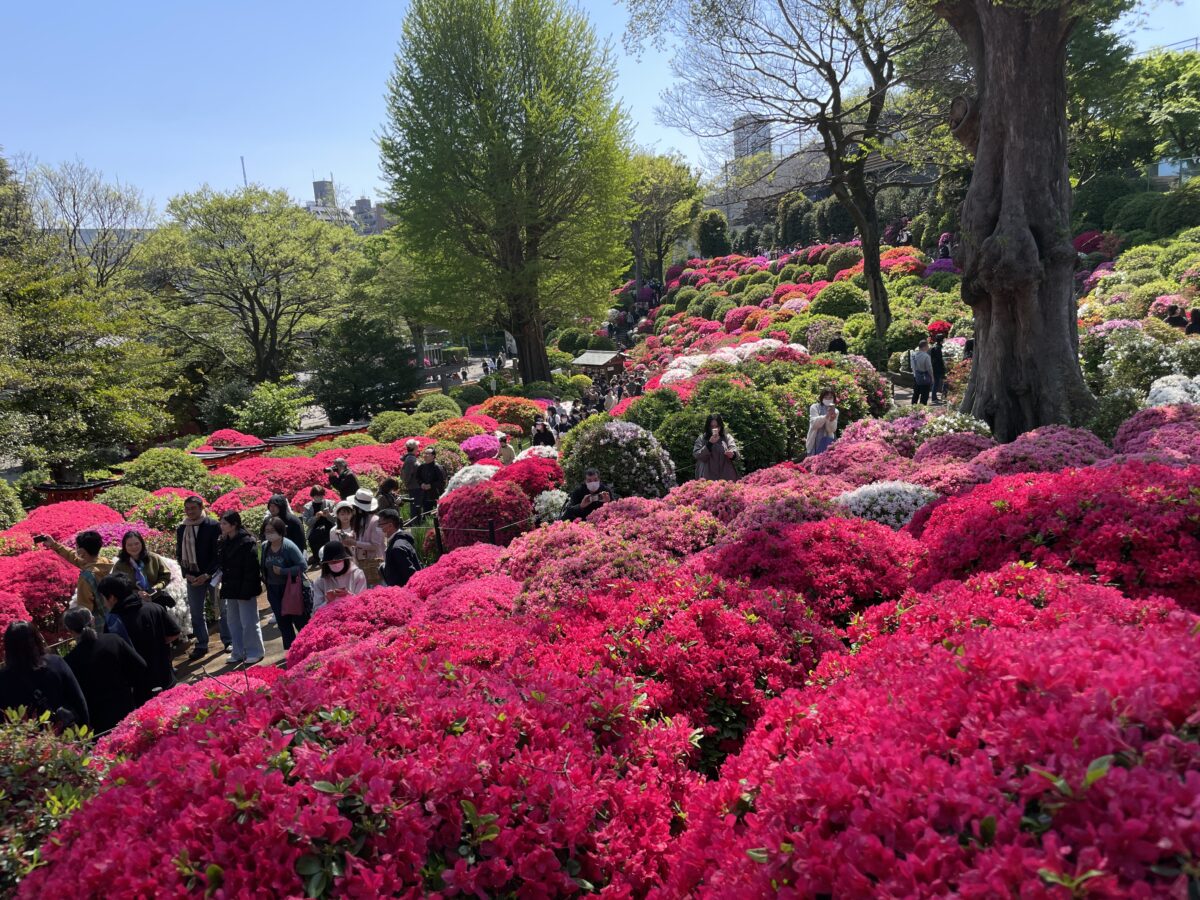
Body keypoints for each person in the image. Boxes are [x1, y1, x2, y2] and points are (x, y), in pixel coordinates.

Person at [63, 607, 147, 734]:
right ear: (92, 620)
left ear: (69, 631)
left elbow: (74, 698)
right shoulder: (113, 640)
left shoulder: (69, 661)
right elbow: (140, 666)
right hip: (126, 707)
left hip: (100, 722)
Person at [99, 574, 180, 703]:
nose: (104, 602)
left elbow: (115, 657)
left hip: (140, 687)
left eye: (103, 598)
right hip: (165, 676)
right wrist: (157, 644)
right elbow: (174, 633)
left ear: (112, 598)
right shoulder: (154, 608)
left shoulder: (113, 623)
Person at [0, 622, 89, 729]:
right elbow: (78, 700)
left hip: (32, 742)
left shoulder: (4, 679)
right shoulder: (55, 663)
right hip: (67, 734)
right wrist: (85, 729)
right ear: (36, 639)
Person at [176, 496, 226, 660]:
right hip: (193, 577)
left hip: (212, 575)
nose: (190, 512)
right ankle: (202, 644)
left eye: (193, 508)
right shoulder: (182, 528)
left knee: (221, 609)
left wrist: (207, 574)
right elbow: (179, 554)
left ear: (201, 507)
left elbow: (218, 553)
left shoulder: (212, 526)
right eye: (187, 508)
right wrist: (187, 574)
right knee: (197, 612)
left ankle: (228, 640)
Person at [215, 511, 264, 665]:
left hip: (245, 587)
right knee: (233, 621)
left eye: (224, 523)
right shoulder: (224, 541)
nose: (221, 526)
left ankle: (254, 651)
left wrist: (246, 590)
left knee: (249, 621)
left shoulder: (247, 541)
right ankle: (238, 651)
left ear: (234, 524)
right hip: (230, 587)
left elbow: (251, 569)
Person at [37, 530, 114, 624]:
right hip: (114, 619)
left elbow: (85, 610)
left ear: (82, 551)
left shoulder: (87, 577)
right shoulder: (104, 562)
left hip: (100, 626)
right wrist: (54, 545)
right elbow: (76, 558)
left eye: (77, 546)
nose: (75, 548)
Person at [259, 516, 308, 650]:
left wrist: (284, 571)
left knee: (298, 619)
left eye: (272, 530)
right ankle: (291, 650)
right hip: (273, 590)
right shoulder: (265, 547)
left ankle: (307, 646)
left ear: (280, 531)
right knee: (282, 622)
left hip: (291, 589)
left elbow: (303, 566)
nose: (269, 533)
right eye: (267, 531)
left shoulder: (288, 546)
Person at [111, 531, 172, 610]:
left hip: (156, 599)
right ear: (124, 546)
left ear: (142, 543)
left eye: (136, 543)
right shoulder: (120, 565)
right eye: (129, 545)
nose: (134, 547)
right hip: (133, 603)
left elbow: (165, 575)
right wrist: (136, 593)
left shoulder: (153, 558)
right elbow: (117, 586)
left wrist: (156, 588)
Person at [311, 541, 368, 611]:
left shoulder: (358, 575)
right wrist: (328, 602)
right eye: (331, 562)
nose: (335, 564)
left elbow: (363, 603)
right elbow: (316, 610)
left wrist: (348, 595)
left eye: (338, 561)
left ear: (345, 560)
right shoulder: (320, 581)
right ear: (326, 563)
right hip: (330, 620)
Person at [346, 489, 385, 586]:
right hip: (361, 561)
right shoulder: (360, 519)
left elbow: (375, 545)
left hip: (373, 563)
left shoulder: (376, 521)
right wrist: (349, 536)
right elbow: (358, 534)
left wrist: (354, 543)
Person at [378, 509, 422, 587]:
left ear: (390, 526)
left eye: (380, 525)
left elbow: (410, 576)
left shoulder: (397, 548)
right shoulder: (400, 540)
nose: (378, 528)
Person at [693, 413, 739, 481]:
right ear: (708, 427)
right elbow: (697, 455)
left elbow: (735, 451)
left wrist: (732, 454)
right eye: (712, 426)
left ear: (721, 426)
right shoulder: (702, 438)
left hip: (726, 476)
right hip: (707, 476)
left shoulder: (727, 437)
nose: (715, 429)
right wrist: (709, 444)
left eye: (717, 426)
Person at [302, 485, 336, 565]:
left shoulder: (329, 503)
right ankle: (318, 559)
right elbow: (307, 522)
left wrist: (328, 515)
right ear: (313, 496)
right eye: (317, 496)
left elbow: (335, 519)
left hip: (329, 527)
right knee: (313, 538)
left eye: (321, 495)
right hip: (315, 529)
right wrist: (316, 517)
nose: (320, 498)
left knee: (329, 536)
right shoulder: (308, 507)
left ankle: (331, 558)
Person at [806, 390, 840, 456]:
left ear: (833, 399)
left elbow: (831, 430)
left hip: (827, 440)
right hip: (814, 441)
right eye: (826, 397)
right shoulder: (814, 407)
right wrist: (826, 416)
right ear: (821, 398)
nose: (828, 399)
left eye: (830, 397)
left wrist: (831, 420)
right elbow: (814, 424)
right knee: (812, 462)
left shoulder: (835, 411)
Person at [414, 447, 447, 514]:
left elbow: (442, 481)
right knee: (426, 514)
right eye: (424, 453)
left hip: (437, 495)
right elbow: (417, 478)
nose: (425, 455)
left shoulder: (438, 467)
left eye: (427, 454)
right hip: (425, 495)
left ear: (433, 456)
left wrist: (431, 485)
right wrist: (421, 484)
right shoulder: (421, 467)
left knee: (439, 514)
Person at [911, 340, 934, 406]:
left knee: (916, 394)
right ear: (924, 347)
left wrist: (915, 375)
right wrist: (932, 377)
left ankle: (913, 409)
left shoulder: (914, 355)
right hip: (925, 377)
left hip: (916, 377)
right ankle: (922, 411)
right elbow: (929, 368)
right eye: (927, 346)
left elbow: (912, 367)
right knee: (924, 395)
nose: (928, 347)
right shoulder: (926, 356)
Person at [400, 439, 421, 512]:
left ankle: (416, 522)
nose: (418, 448)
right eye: (417, 446)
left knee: (416, 506)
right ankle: (415, 523)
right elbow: (407, 474)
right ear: (415, 448)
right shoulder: (411, 459)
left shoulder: (410, 458)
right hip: (414, 487)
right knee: (415, 507)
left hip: (415, 486)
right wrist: (407, 484)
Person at [930, 337, 947, 404]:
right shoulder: (938, 348)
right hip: (939, 368)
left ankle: (934, 397)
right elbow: (939, 359)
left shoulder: (935, 347)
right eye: (943, 339)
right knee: (944, 382)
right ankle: (937, 397)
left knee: (936, 383)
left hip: (935, 368)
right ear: (941, 341)